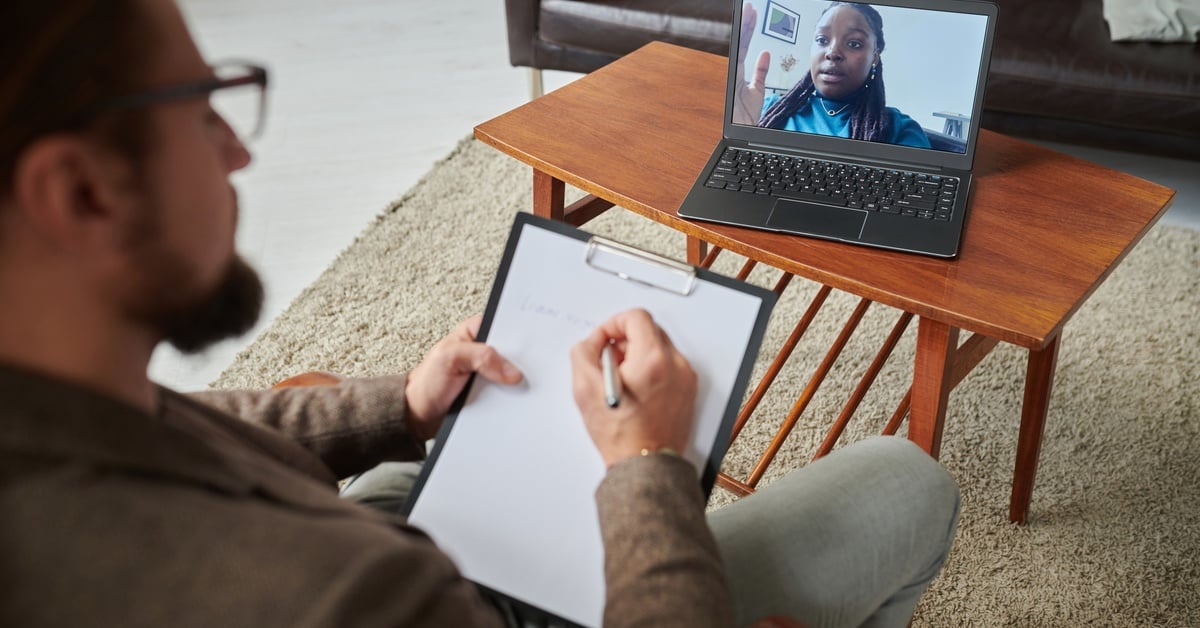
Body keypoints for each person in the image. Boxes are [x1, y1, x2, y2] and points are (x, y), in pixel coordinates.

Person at [0, 0, 959, 626]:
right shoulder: (343, 598)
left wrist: (402, 410)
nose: (234, 153)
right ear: (81, 193)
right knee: (911, 483)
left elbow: (175, 427)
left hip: (381, 527)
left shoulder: (54, 405)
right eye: (204, 107)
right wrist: (651, 468)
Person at [734, 1, 932, 148]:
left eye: (854, 43)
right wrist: (740, 136)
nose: (832, 52)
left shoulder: (900, 132)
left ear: (874, 57)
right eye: (822, 39)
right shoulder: (768, 109)